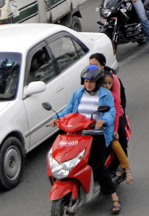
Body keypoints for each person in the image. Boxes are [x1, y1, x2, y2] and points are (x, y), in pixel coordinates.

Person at [49, 65, 121, 214]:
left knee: (97, 164)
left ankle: (113, 196)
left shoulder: (105, 95)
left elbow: (111, 111)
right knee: (63, 156)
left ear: (98, 82)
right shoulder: (78, 93)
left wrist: (104, 120)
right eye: (86, 81)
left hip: (96, 135)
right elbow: (69, 110)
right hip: (77, 134)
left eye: (91, 82)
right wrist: (56, 118)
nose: (88, 84)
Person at [100, 70, 133, 185]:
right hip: (95, 126)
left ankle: (126, 167)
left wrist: (114, 130)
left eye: (109, 84)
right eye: (104, 83)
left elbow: (116, 115)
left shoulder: (112, 96)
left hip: (109, 125)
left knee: (114, 143)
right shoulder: (94, 94)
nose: (106, 86)